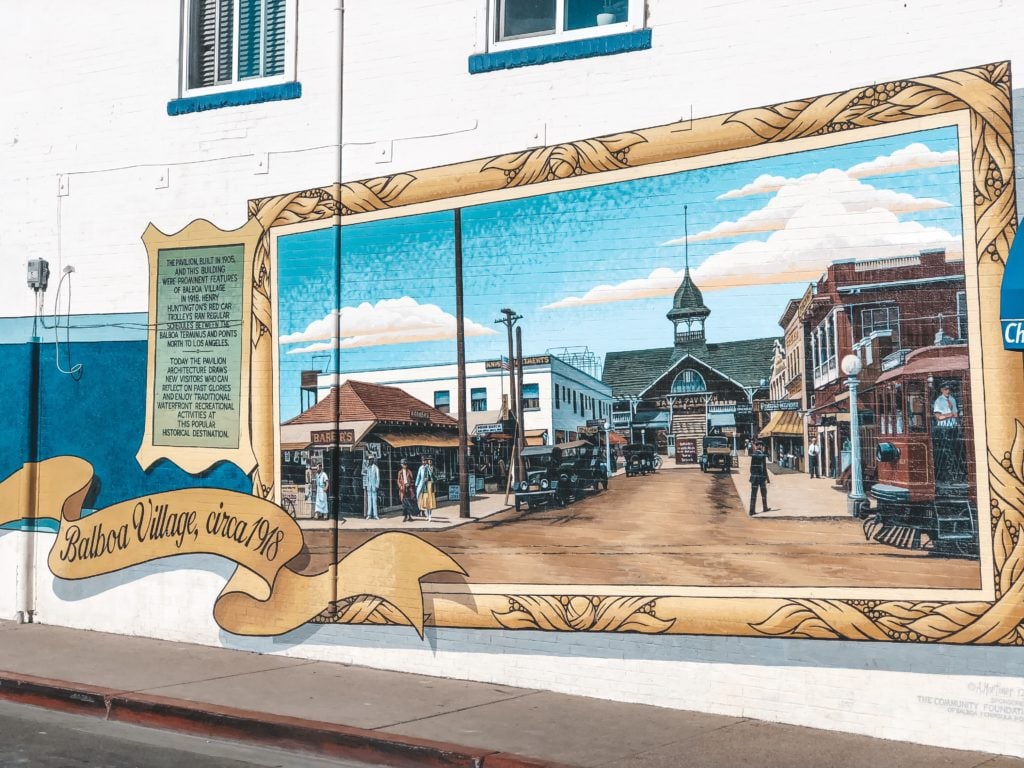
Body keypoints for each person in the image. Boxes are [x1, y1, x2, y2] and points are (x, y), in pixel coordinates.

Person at [748, 442, 770, 517]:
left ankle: (751, 510)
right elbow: (764, 468)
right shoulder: (762, 455)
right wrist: (766, 478)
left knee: (753, 494)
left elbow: (751, 468)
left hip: (754, 477)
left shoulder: (754, 455)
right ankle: (765, 507)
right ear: (760, 446)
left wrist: (753, 474)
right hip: (761, 477)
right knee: (764, 493)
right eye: (762, 446)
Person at [416, 456, 437, 522]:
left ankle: (430, 515)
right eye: (428, 460)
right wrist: (424, 479)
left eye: (431, 460)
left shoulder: (433, 468)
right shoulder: (424, 468)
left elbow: (436, 477)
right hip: (425, 486)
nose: (429, 461)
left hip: (431, 486)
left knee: (430, 501)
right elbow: (421, 476)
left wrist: (432, 477)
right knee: (426, 501)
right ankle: (427, 515)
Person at [397, 458, 417, 522]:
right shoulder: (400, 472)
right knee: (404, 504)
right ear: (401, 465)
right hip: (403, 489)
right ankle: (405, 516)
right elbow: (398, 481)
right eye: (403, 464)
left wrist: (409, 484)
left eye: (405, 464)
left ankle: (409, 516)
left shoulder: (409, 472)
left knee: (409, 503)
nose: (404, 465)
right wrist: (401, 486)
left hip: (408, 489)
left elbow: (412, 480)